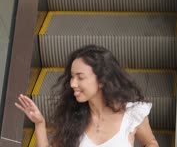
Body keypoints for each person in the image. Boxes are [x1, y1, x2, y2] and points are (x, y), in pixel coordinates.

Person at [15, 45, 159, 147]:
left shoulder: (132, 114)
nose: (72, 83)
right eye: (71, 77)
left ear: (102, 80)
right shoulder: (72, 120)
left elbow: (150, 142)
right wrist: (39, 124)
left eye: (80, 77)